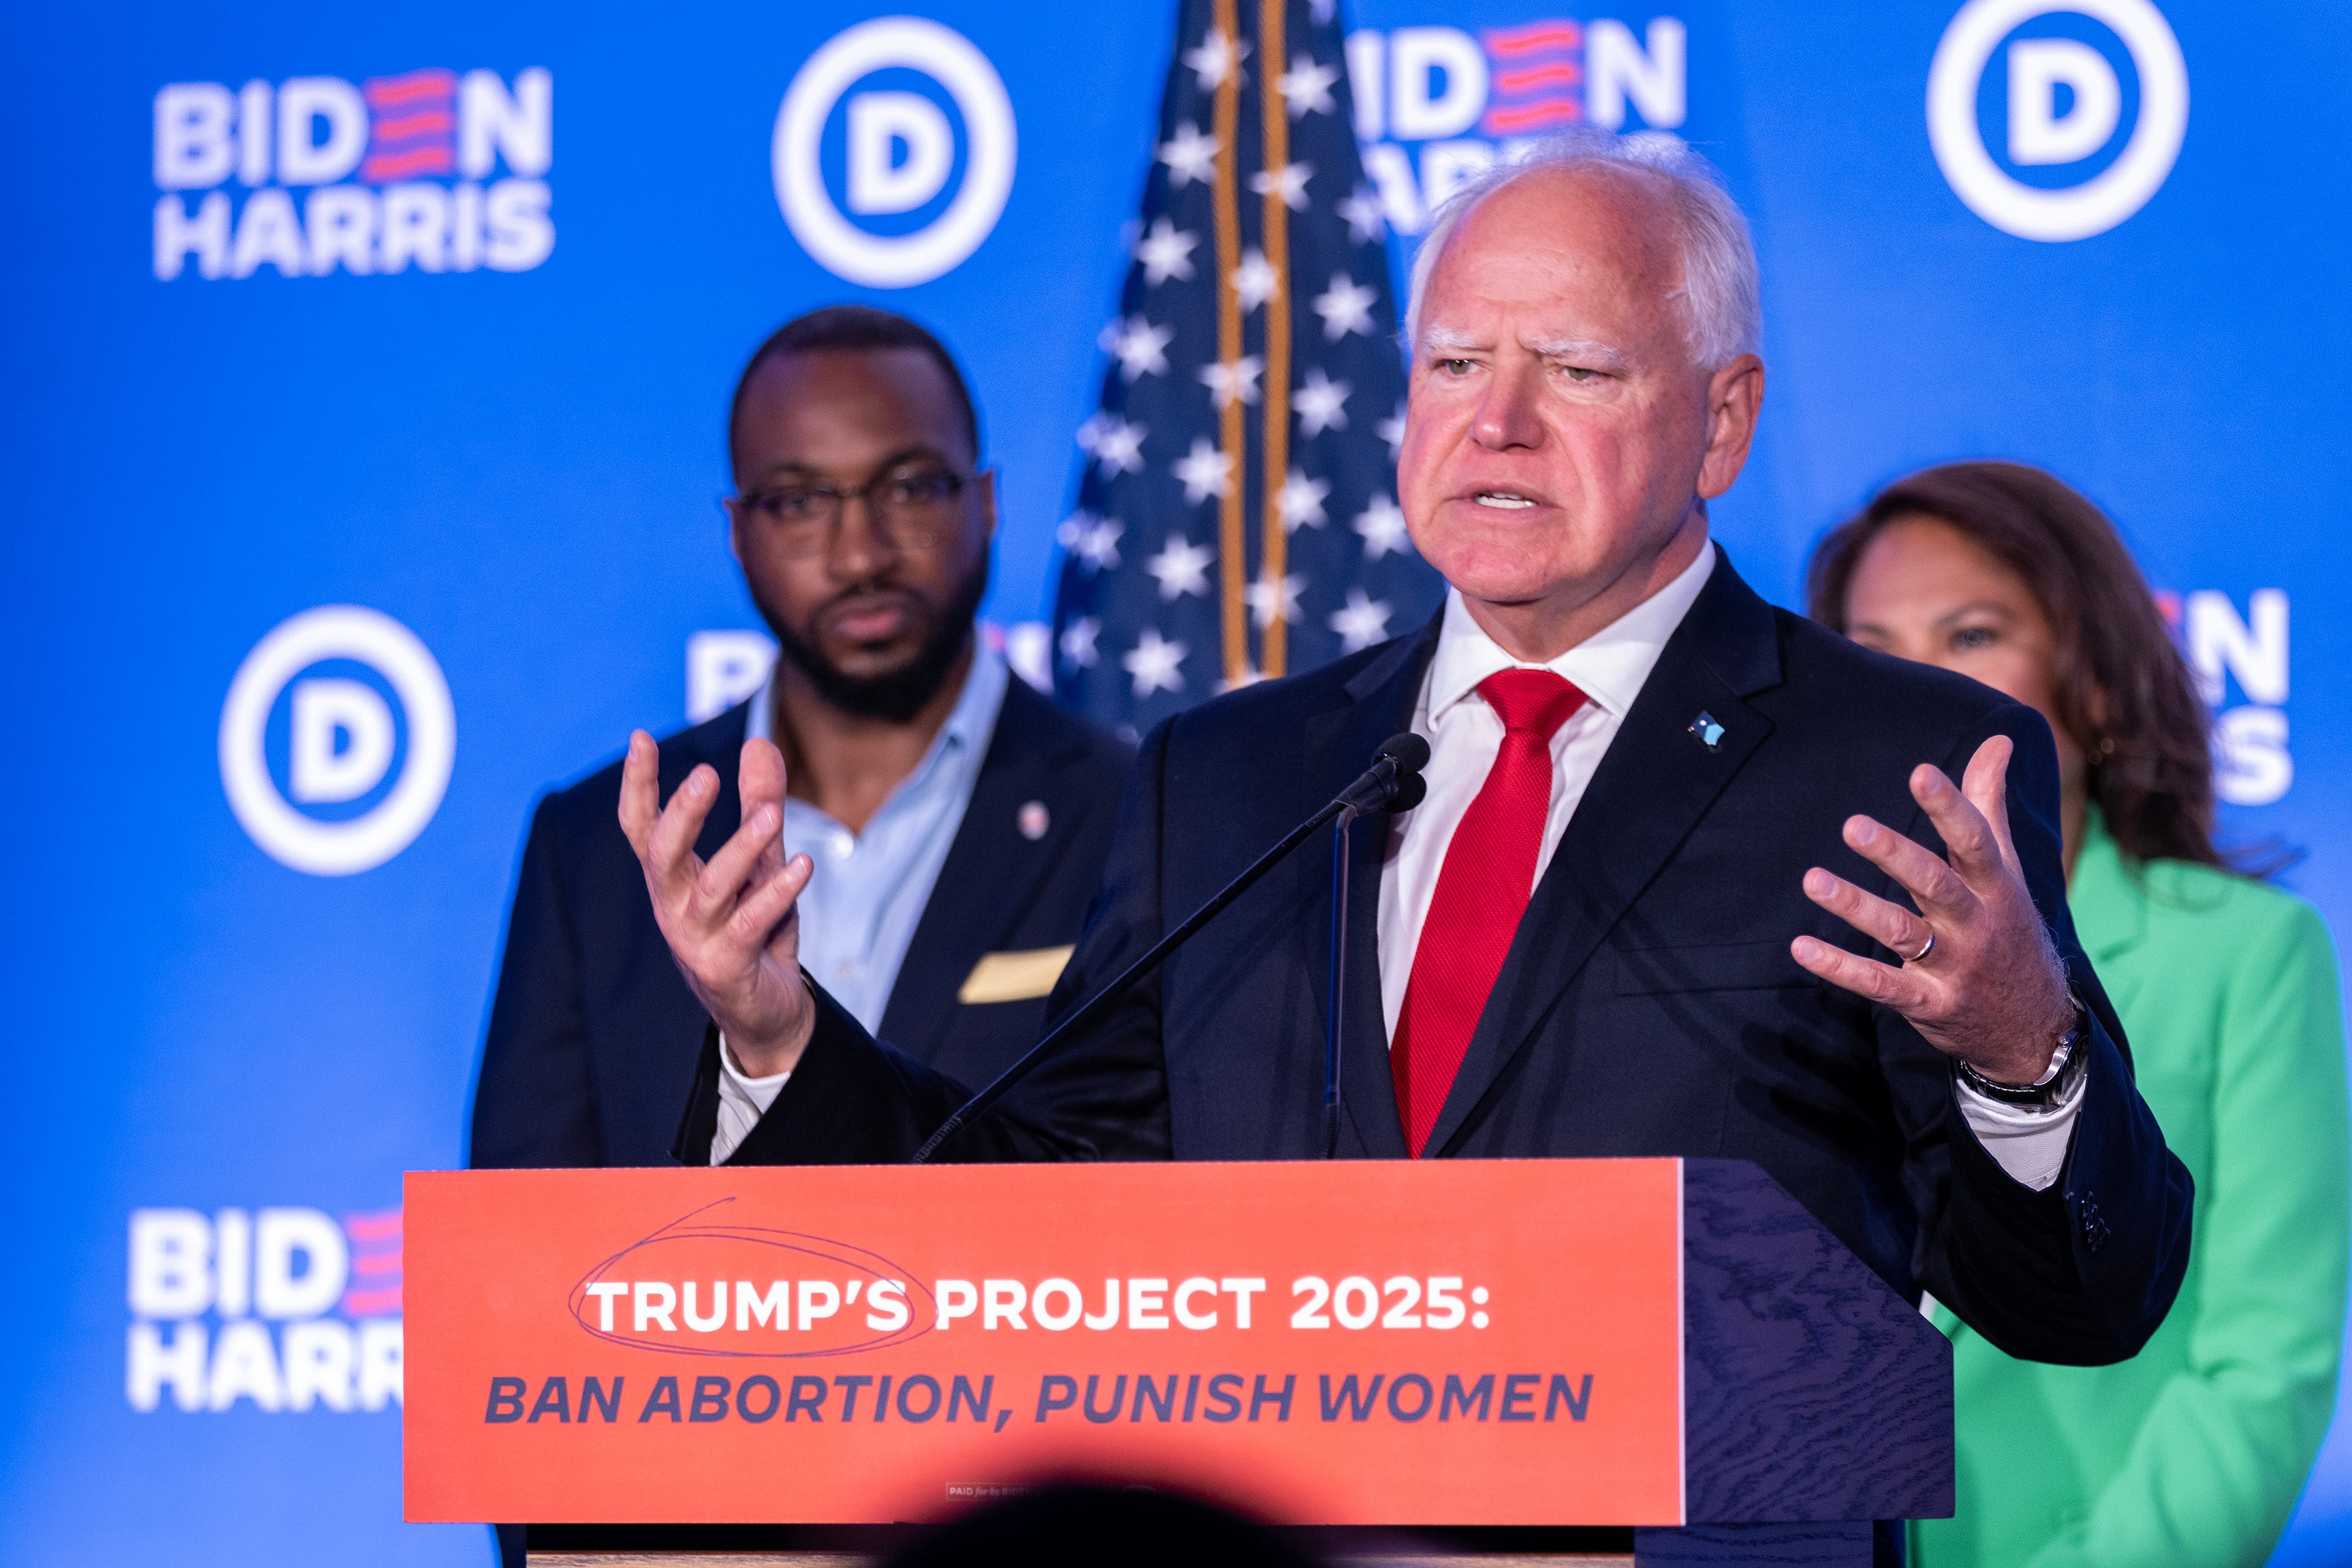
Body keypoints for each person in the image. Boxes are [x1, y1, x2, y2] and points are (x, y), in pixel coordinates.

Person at [625, 130, 2192, 1438]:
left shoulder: (1883, 764)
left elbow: (2078, 1302)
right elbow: (1030, 1208)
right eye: (1454, 362)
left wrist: (2021, 1052)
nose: (1496, 423)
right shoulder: (1227, 779)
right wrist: (779, 1040)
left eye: (1577, 371)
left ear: (1724, 421)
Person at [1809, 461, 2349, 1568]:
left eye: (1968, 636)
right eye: (1874, 644)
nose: (1915, 684)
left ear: (2093, 683)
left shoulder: (2247, 952)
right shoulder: (1797, 955)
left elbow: (2265, 1367)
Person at [470, 306, 1134, 1170]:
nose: (861, 555)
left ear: (987, 503)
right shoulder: (596, 846)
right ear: (739, 533)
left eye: (910, 488)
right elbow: (526, 1254)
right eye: (799, 502)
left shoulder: (1134, 815)